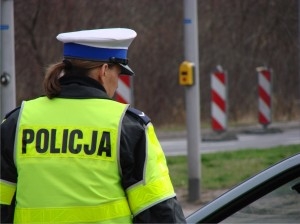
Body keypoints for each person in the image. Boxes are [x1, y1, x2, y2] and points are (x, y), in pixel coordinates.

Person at [0, 28, 186, 223]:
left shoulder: (18, 121)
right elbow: (159, 212)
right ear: (104, 70)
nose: (117, 83)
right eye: (118, 73)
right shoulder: (127, 126)